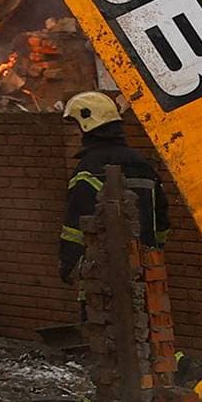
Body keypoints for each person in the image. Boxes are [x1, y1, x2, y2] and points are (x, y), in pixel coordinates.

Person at [59, 90, 169, 283]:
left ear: (88, 126)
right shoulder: (142, 165)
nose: (74, 134)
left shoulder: (88, 169)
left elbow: (75, 226)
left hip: (105, 274)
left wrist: (68, 265)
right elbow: (161, 220)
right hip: (147, 273)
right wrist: (153, 250)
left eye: (76, 127)